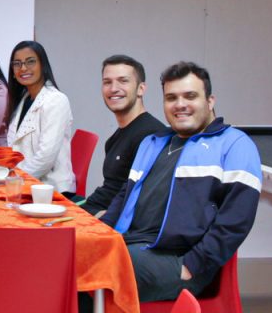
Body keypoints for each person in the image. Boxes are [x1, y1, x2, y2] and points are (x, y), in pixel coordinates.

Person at [101, 62, 261, 302]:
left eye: (190, 96)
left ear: (210, 101)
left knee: (92, 268)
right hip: (131, 244)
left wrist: (193, 265)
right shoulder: (153, 143)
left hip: (178, 260)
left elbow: (236, 220)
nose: (180, 104)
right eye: (171, 97)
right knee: (71, 256)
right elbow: (124, 196)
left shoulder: (235, 145)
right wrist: (98, 232)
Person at [81, 55, 164, 216]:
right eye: (107, 82)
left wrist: (96, 217)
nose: (113, 88)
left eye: (123, 81)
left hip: (115, 227)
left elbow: (142, 203)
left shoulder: (150, 136)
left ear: (141, 89)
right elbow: (110, 189)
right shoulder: (114, 139)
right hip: (96, 212)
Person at [5, 41, 75, 194]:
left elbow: (45, 158)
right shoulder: (23, 99)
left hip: (51, 191)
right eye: (17, 64)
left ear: (43, 65)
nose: (23, 68)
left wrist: (13, 180)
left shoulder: (56, 100)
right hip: (25, 184)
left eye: (30, 61)